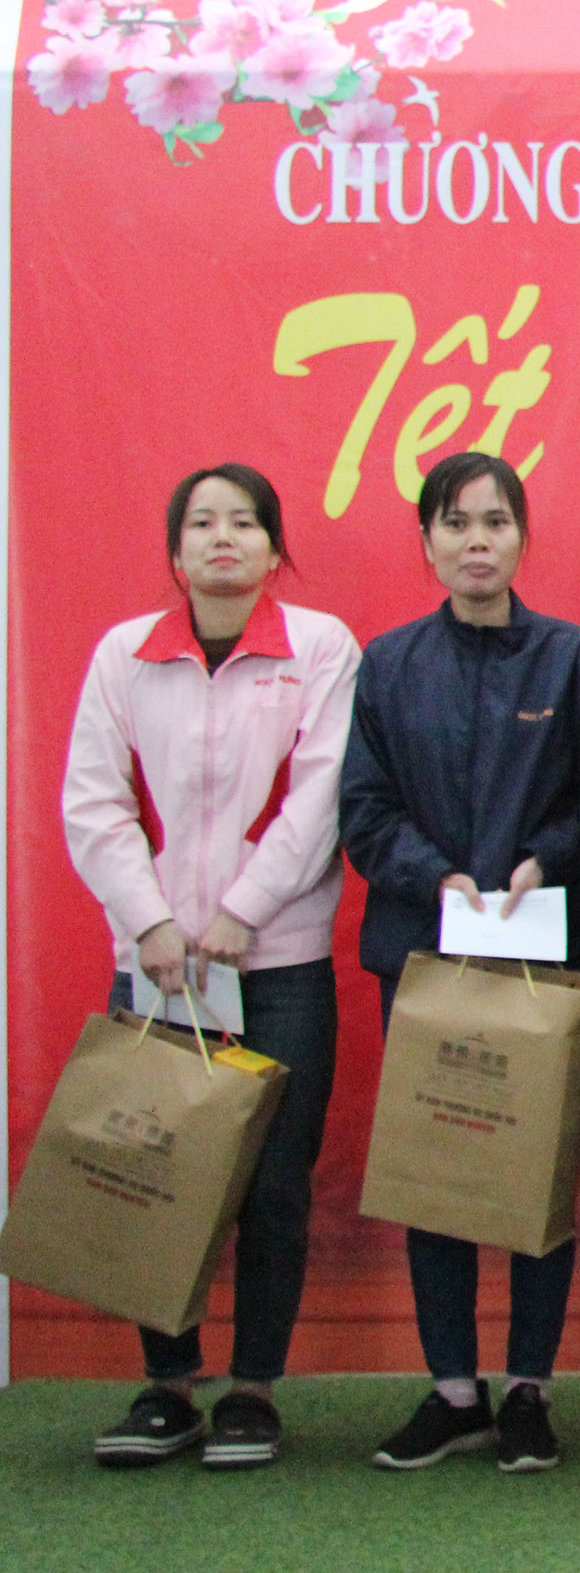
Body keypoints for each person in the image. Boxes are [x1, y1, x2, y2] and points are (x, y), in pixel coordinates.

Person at [66, 463, 361, 1470]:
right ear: (176, 551)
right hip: (157, 966)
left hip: (277, 964)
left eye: (245, 522)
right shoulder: (125, 656)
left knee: (274, 1184)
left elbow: (320, 796)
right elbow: (95, 802)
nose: (222, 537)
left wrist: (245, 911)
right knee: (159, 1174)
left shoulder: (319, 647)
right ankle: (168, 1384)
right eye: (202, 522)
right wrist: (149, 922)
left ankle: (252, 1388)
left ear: (275, 550)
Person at [342, 451, 580, 1472]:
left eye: (496, 522)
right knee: (438, 1171)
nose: (478, 542)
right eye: (456, 524)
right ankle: (454, 1389)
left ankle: (531, 1388)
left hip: (541, 952)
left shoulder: (573, 657)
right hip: (425, 951)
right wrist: (437, 875)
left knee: (538, 1173)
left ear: (523, 537)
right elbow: (364, 808)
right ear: (428, 542)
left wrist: (548, 858)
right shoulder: (390, 663)